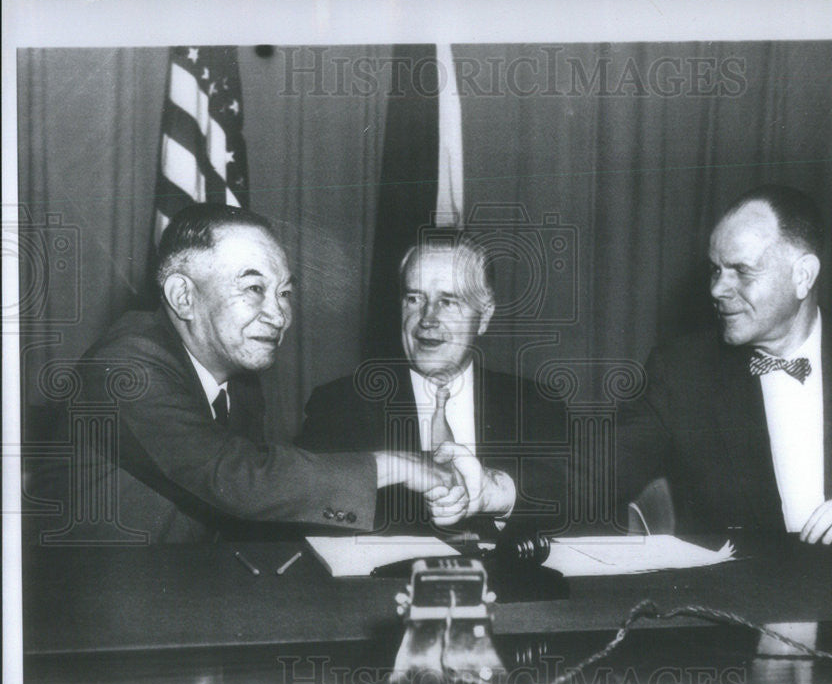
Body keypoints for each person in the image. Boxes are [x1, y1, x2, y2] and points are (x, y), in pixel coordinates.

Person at [55, 203, 452, 543]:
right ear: (183, 296)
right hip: (104, 611)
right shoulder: (124, 366)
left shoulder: (239, 379)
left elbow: (254, 511)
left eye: (284, 293)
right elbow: (236, 478)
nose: (279, 316)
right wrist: (392, 465)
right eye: (253, 288)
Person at [616, 185, 832, 543]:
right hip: (740, 596)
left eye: (741, 271)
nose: (717, 289)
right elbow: (597, 471)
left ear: (803, 276)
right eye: (716, 270)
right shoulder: (680, 372)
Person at [297, 236, 569, 536]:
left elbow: (573, 508)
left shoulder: (535, 404)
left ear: (484, 317)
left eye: (448, 301)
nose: (427, 319)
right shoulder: (341, 404)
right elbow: (308, 509)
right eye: (414, 298)